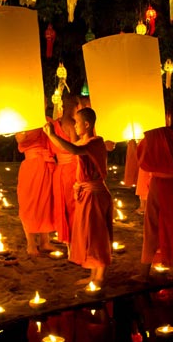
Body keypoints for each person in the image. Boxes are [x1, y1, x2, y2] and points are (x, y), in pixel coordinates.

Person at [43, 107, 113, 286]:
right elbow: (72, 149)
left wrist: (53, 135)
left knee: (97, 235)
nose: (74, 126)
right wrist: (52, 136)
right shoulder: (84, 142)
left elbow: (73, 150)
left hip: (95, 194)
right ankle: (93, 274)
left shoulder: (95, 142)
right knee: (88, 233)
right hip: (86, 193)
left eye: (77, 122)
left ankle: (100, 276)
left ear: (87, 124)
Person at [133, 99, 173, 282]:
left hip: (160, 184)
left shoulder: (156, 136)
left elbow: (143, 162)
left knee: (152, 226)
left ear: (168, 115)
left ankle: (145, 272)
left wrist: (135, 145)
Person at [15, 127, 57, 256]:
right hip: (31, 165)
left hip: (47, 164)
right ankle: (31, 244)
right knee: (29, 203)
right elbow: (20, 139)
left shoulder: (48, 121)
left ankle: (45, 242)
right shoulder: (23, 122)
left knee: (46, 202)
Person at [49, 94, 81, 245]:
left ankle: (68, 240)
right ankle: (75, 239)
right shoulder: (72, 123)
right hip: (71, 168)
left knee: (64, 205)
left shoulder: (55, 124)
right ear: (76, 106)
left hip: (59, 169)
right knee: (74, 204)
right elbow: (76, 147)